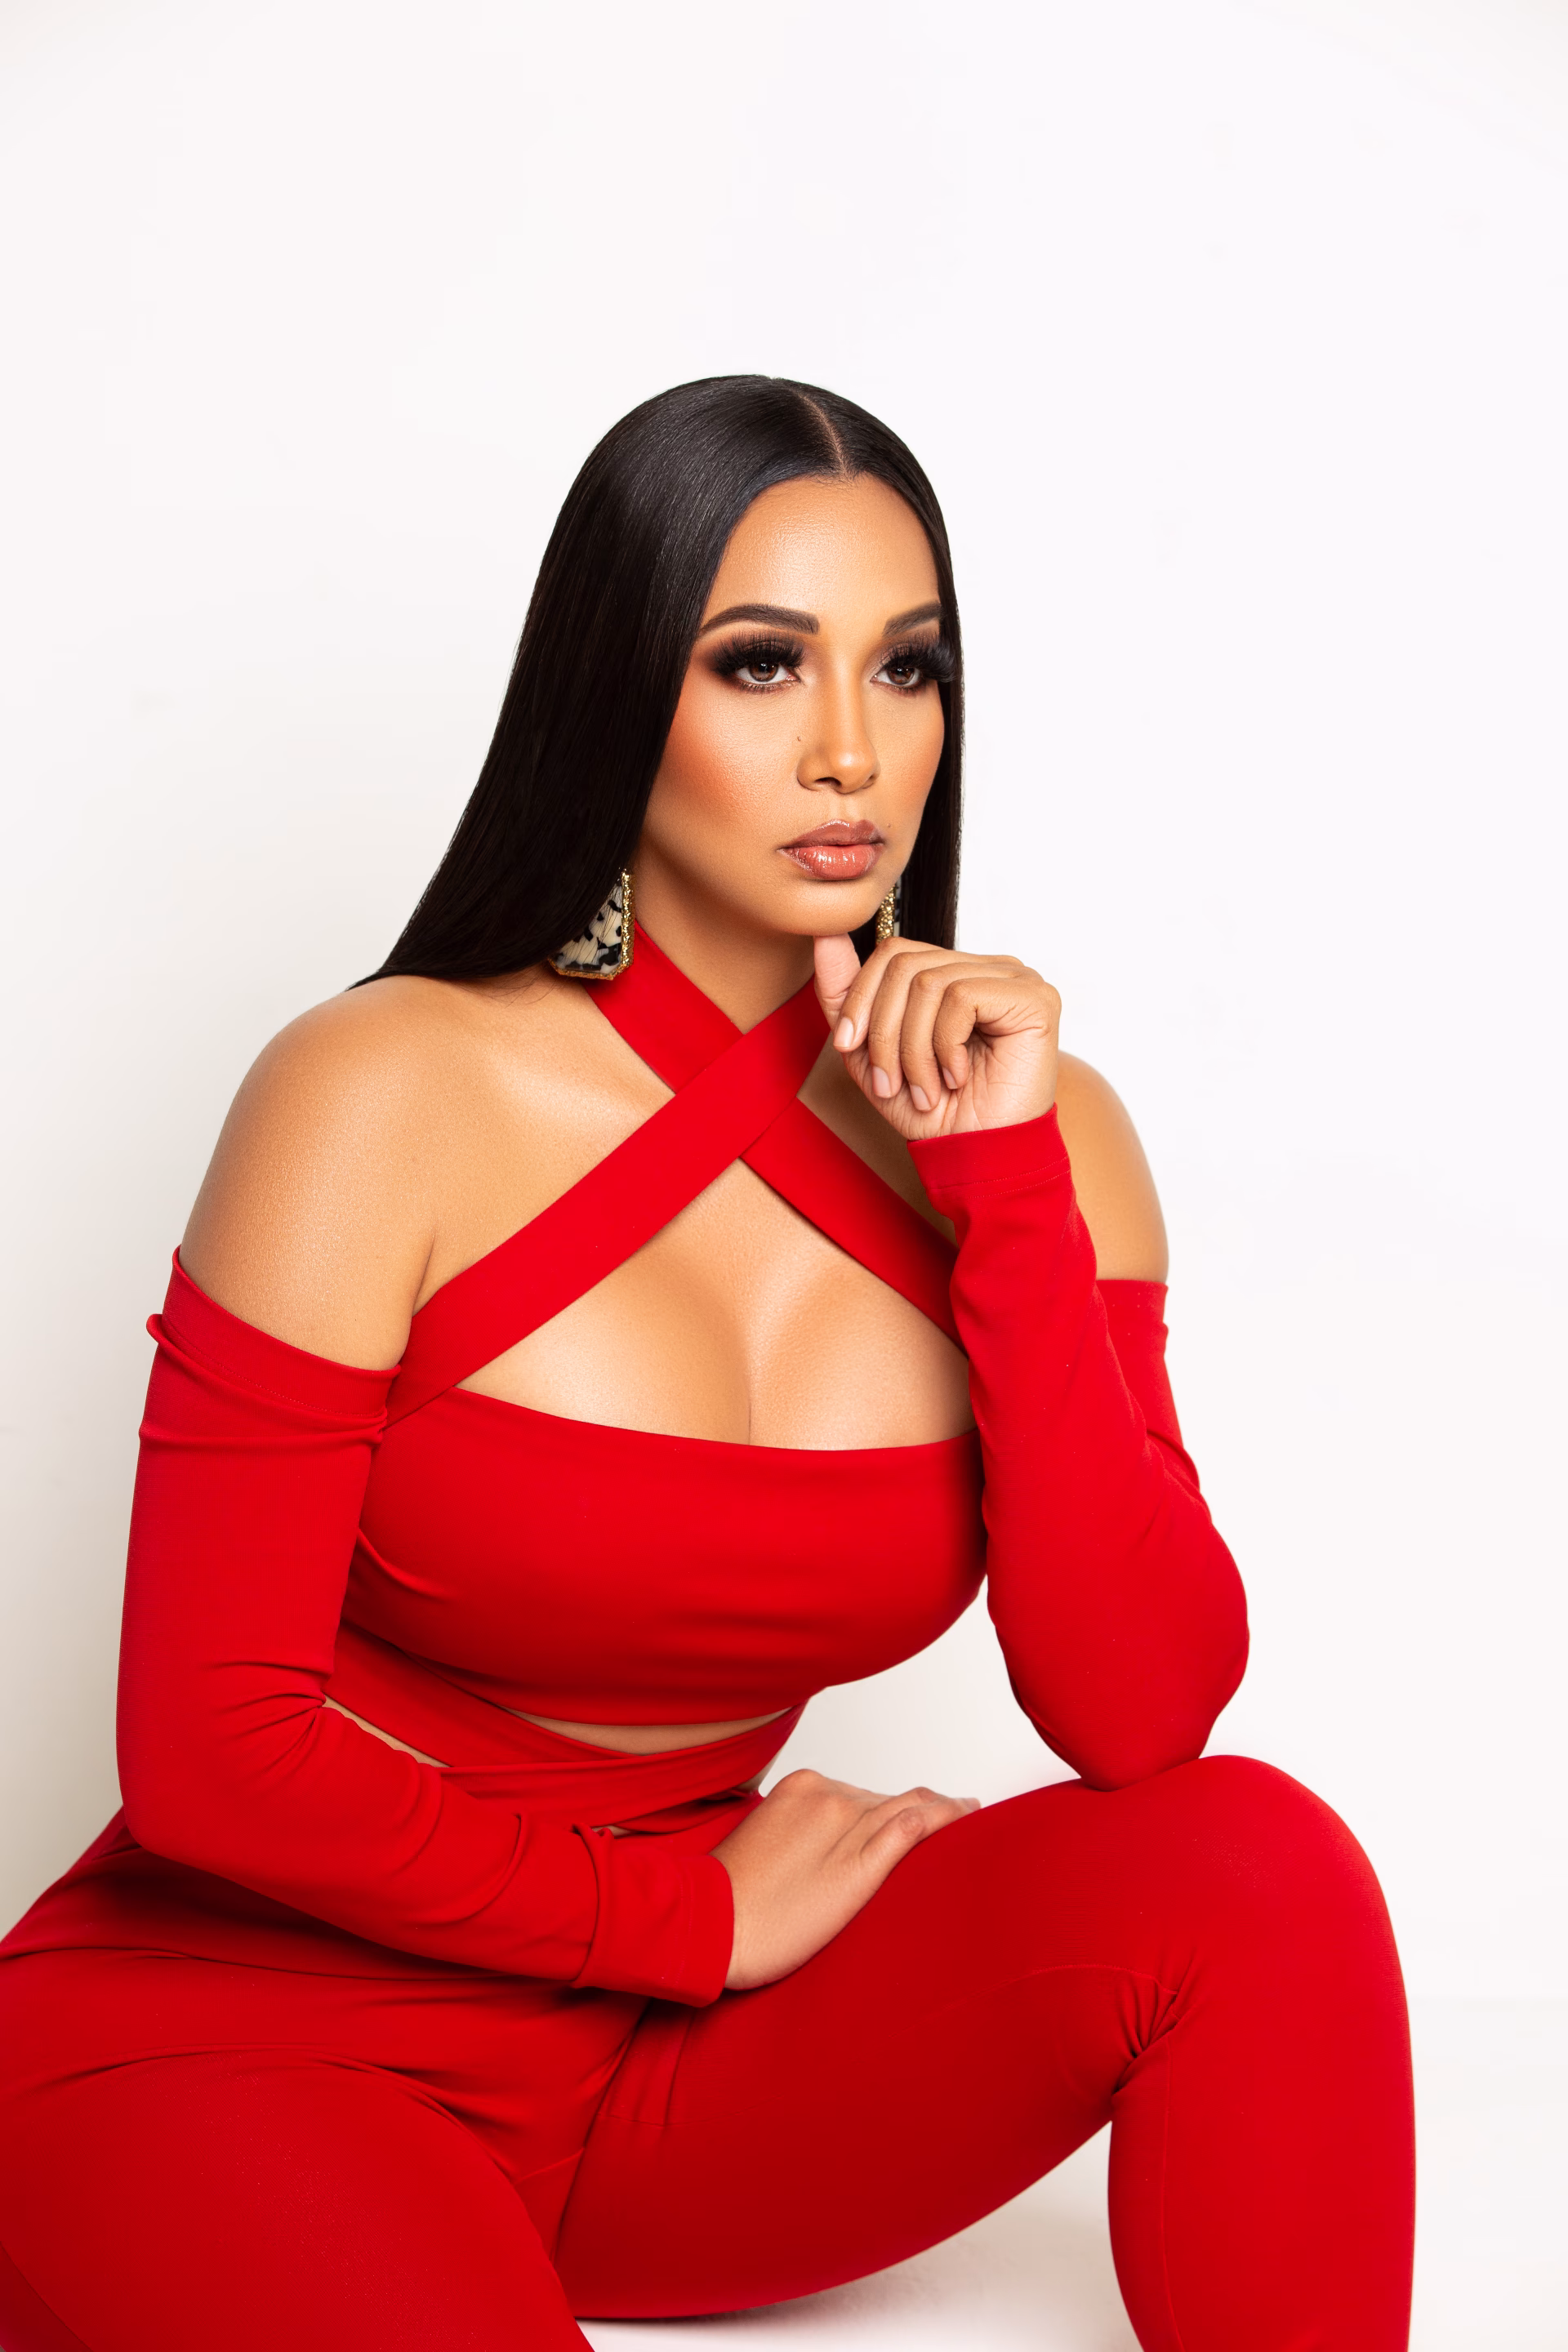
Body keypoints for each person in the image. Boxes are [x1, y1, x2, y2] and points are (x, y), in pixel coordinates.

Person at [0, 377, 1414, 2352]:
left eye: (906, 668)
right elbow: (208, 1754)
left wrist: (1005, 1197)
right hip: (243, 2039)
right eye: (761, 664)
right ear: (614, 687)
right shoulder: (383, 1089)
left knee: (1259, 1870)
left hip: (665, 2081)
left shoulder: (1044, 1133)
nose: (852, 747)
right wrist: (693, 1915)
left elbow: (1141, 1708)